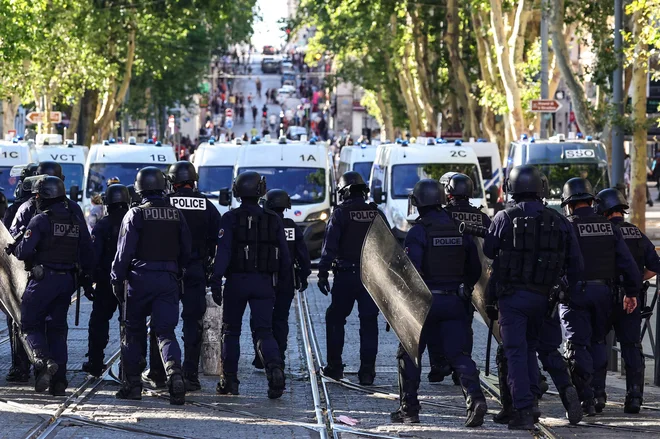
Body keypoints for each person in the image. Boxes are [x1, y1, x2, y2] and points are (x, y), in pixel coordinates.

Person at [483, 165, 582, 429]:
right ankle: (567, 391)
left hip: (513, 298)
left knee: (516, 351)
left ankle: (525, 410)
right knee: (544, 348)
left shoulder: (504, 217)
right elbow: (576, 264)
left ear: (511, 187)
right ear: (541, 188)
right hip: (547, 298)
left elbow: (489, 250)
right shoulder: (558, 219)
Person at [391, 179, 487, 426]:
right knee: (459, 354)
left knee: (410, 354)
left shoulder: (418, 232)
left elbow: (411, 271)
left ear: (419, 203)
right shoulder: (459, 228)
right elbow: (475, 267)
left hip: (424, 305)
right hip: (454, 301)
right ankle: (475, 398)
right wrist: (462, 288)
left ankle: (409, 409)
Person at [559, 178, 641, 416]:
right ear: (591, 201)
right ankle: (598, 394)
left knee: (578, 345)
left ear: (570, 204)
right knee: (597, 342)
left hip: (575, 293)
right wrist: (632, 293)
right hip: (605, 294)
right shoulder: (609, 228)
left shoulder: (567, 226)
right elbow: (628, 265)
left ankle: (588, 397)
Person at [111, 167, 192, 405]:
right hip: (167, 279)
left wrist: (116, 278)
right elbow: (187, 251)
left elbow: (123, 253)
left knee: (133, 333)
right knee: (166, 333)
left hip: (138, 280)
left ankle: (133, 385)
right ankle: (175, 374)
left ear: (139, 189)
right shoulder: (177, 214)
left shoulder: (134, 214)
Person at [210, 171, 291, 398]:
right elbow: (284, 255)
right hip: (265, 283)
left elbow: (223, 253)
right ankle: (275, 370)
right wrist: (284, 284)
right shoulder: (273, 219)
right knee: (264, 331)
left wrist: (216, 280)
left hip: (236, 282)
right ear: (260, 191)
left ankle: (230, 381)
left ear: (238, 191)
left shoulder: (229, 218)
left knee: (231, 332)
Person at [142, 161, 220, 391]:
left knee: (160, 322)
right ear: (193, 180)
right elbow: (218, 239)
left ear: (172, 182)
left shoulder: (165, 203)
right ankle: (190, 375)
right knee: (193, 323)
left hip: (169, 269)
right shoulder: (207, 205)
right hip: (196, 269)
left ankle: (158, 372)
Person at [12, 176, 94, 395]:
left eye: (38, 195)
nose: (36, 199)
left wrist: (16, 245)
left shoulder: (40, 220)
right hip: (67, 281)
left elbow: (23, 252)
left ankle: (42, 361)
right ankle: (59, 381)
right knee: (58, 329)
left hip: (42, 280)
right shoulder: (75, 220)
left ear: (45, 196)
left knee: (29, 324)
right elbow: (87, 251)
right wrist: (86, 280)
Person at [594, 188, 660, 413]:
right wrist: (636, 280)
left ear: (602, 210)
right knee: (632, 347)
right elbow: (654, 266)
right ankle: (634, 398)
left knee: (598, 344)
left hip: (604, 297)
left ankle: (598, 395)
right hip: (631, 298)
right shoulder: (635, 232)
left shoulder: (602, 232)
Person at [318, 171, 386, 385]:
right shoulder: (376, 213)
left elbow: (329, 247)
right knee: (369, 323)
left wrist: (322, 273)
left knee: (335, 318)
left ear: (345, 191)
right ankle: (367, 373)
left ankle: (335, 367)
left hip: (346, 277)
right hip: (372, 278)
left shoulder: (341, 213)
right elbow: (389, 248)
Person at [427, 172, 491, 384]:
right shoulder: (482, 217)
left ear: (449, 192)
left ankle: (439, 364)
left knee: (435, 324)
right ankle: (460, 367)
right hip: (475, 281)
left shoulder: (444, 215)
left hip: (446, 277)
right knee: (465, 325)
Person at [251, 189, 311, 369]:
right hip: (286, 280)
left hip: (264, 278)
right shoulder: (291, 226)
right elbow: (303, 254)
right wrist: (304, 275)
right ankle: (280, 356)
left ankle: (261, 356)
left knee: (260, 320)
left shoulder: (260, 223)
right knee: (281, 319)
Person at [82, 184, 131, 377]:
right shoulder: (135, 220)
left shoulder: (103, 224)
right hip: (132, 282)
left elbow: (94, 256)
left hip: (106, 282)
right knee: (131, 323)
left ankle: (95, 362)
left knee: (99, 322)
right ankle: (133, 363)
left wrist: (88, 280)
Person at [2, 163, 38, 383]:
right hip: (52, 274)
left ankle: (21, 367)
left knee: (17, 321)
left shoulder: (18, 207)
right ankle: (50, 368)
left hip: (19, 273)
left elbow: (6, 240)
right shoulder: (68, 207)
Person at [10, 161, 86, 236]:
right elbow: (86, 243)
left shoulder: (27, 208)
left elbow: (13, 240)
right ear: (62, 180)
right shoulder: (73, 207)